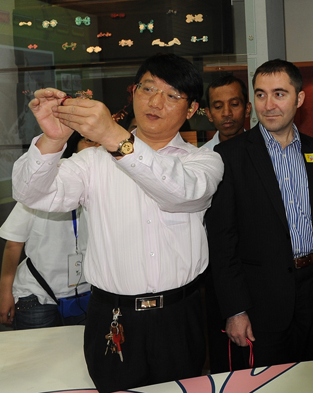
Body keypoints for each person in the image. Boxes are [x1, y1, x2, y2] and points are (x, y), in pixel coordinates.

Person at [11, 53, 223, 393]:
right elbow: (30, 193)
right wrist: (52, 139)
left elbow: (180, 193)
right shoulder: (92, 162)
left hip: (179, 315)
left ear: (192, 109)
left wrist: (114, 136)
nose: (155, 102)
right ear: (134, 92)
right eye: (148, 88)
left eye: (172, 95)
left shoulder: (203, 161)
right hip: (113, 315)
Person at [206, 59, 313, 367]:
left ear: (299, 98)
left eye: (279, 94)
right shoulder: (228, 156)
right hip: (260, 303)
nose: (268, 105)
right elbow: (222, 241)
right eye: (261, 95)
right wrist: (235, 309)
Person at [0, 134, 96, 329]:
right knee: (38, 349)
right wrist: (4, 293)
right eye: (88, 140)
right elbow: (14, 243)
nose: (96, 146)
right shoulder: (47, 183)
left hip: (87, 292)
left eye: (100, 141)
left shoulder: (104, 187)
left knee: (80, 349)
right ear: (74, 145)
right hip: (37, 294)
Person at [202, 73, 251, 150]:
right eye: (218, 106)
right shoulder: (202, 155)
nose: (227, 113)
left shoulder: (264, 150)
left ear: (247, 109)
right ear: (209, 114)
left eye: (234, 104)